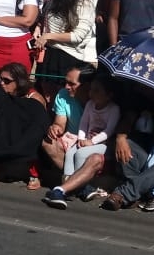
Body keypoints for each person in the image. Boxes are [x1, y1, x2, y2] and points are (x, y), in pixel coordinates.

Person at [43, 73, 120, 209]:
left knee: (80, 154)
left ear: (109, 95)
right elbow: (84, 123)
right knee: (72, 152)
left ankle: (75, 187)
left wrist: (92, 141)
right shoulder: (90, 105)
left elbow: (108, 131)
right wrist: (81, 138)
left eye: (97, 91)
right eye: (92, 89)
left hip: (102, 143)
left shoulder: (113, 109)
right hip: (87, 140)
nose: (92, 93)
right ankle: (68, 182)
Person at [0, 62, 48, 186]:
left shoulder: (34, 99)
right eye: (0, 79)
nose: (2, 83)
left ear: (19, 81)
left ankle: (33, 173)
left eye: (7, 81)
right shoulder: (1, 95)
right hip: (6, 132)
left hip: (25, 134)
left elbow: (38, 124)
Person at [34, 0, 96, 102]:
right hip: (49, 53)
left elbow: (77, 36)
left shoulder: (84, 2)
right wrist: (39, 28)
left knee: (65, 98)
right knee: (47, 96)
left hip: (69, 56)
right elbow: (46, 19)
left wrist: (48, 36)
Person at [41, 64, 95, 171]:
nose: (66, 87)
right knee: (48, 143)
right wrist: (55, 127)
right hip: (72, 139)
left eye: (72, 84)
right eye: (66, 82)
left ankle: (73, 179)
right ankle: (72, 178)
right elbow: (59, 123)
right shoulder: (63, 95)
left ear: (87, 85)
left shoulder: (98, 100)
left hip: (93, 140)